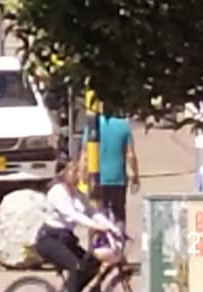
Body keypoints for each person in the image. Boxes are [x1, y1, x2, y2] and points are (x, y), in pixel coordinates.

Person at [34, 159, 119, 292]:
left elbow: (92, 212)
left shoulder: (77, 194)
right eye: (75, 172)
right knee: (76, 266)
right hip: (49, 239)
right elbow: (73, 215)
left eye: (80, 172)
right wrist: (95, 226)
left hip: (66, 238)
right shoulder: (57, 192)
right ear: (65, 174)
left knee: (91, 265)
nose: (79, 175)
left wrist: (112, 227)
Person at [85, 110, 139, 233]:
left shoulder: (93, 125)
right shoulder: (123, 126)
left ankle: (98, 243)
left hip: (96, 178)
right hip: (117, 178)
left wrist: (83, 177)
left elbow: (85, 154)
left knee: (97, 213)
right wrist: (135, 176)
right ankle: (119, 241)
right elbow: (130, 155)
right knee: (119, 212)